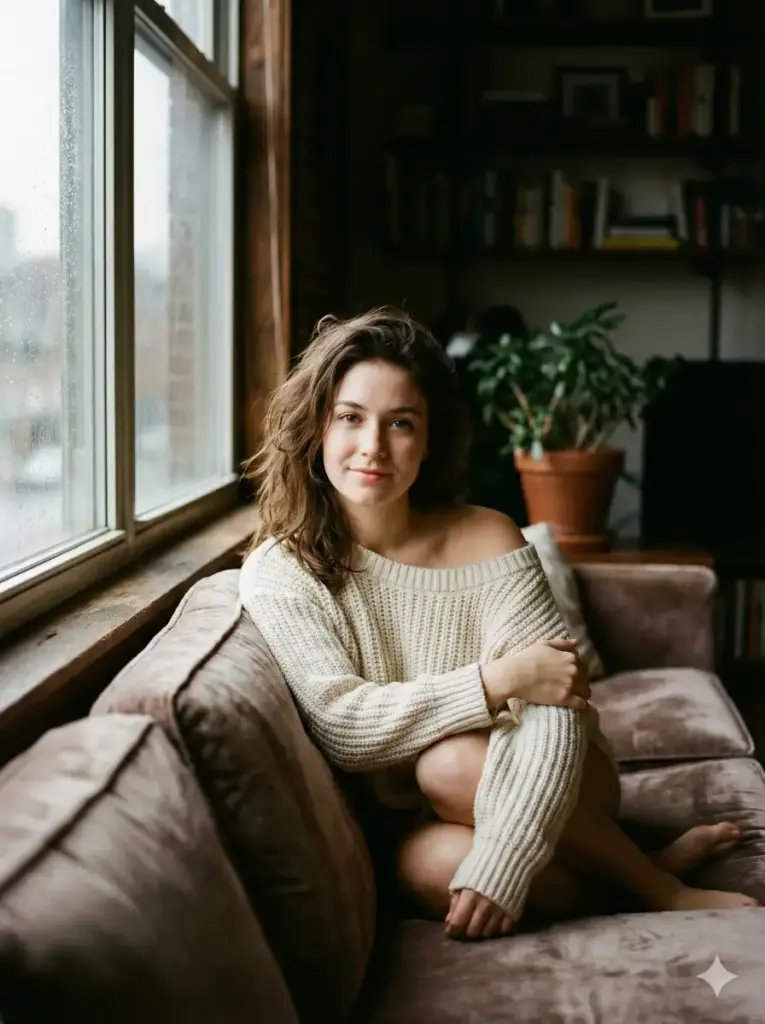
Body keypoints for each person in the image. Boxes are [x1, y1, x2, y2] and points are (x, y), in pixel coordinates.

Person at [239, 307, 759, 942]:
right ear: (316, 427)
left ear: (429, 442)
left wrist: (507, 850)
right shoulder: (284, 569)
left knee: (449, 764)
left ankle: (661, 890)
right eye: (350, 417)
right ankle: (635, 864)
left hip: (561, 772)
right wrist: (496, 680)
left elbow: (557, 705)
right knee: (442, 872)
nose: (373, 446)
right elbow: (344, 726)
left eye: (401, 423)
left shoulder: (487, 534)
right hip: (413, 820)